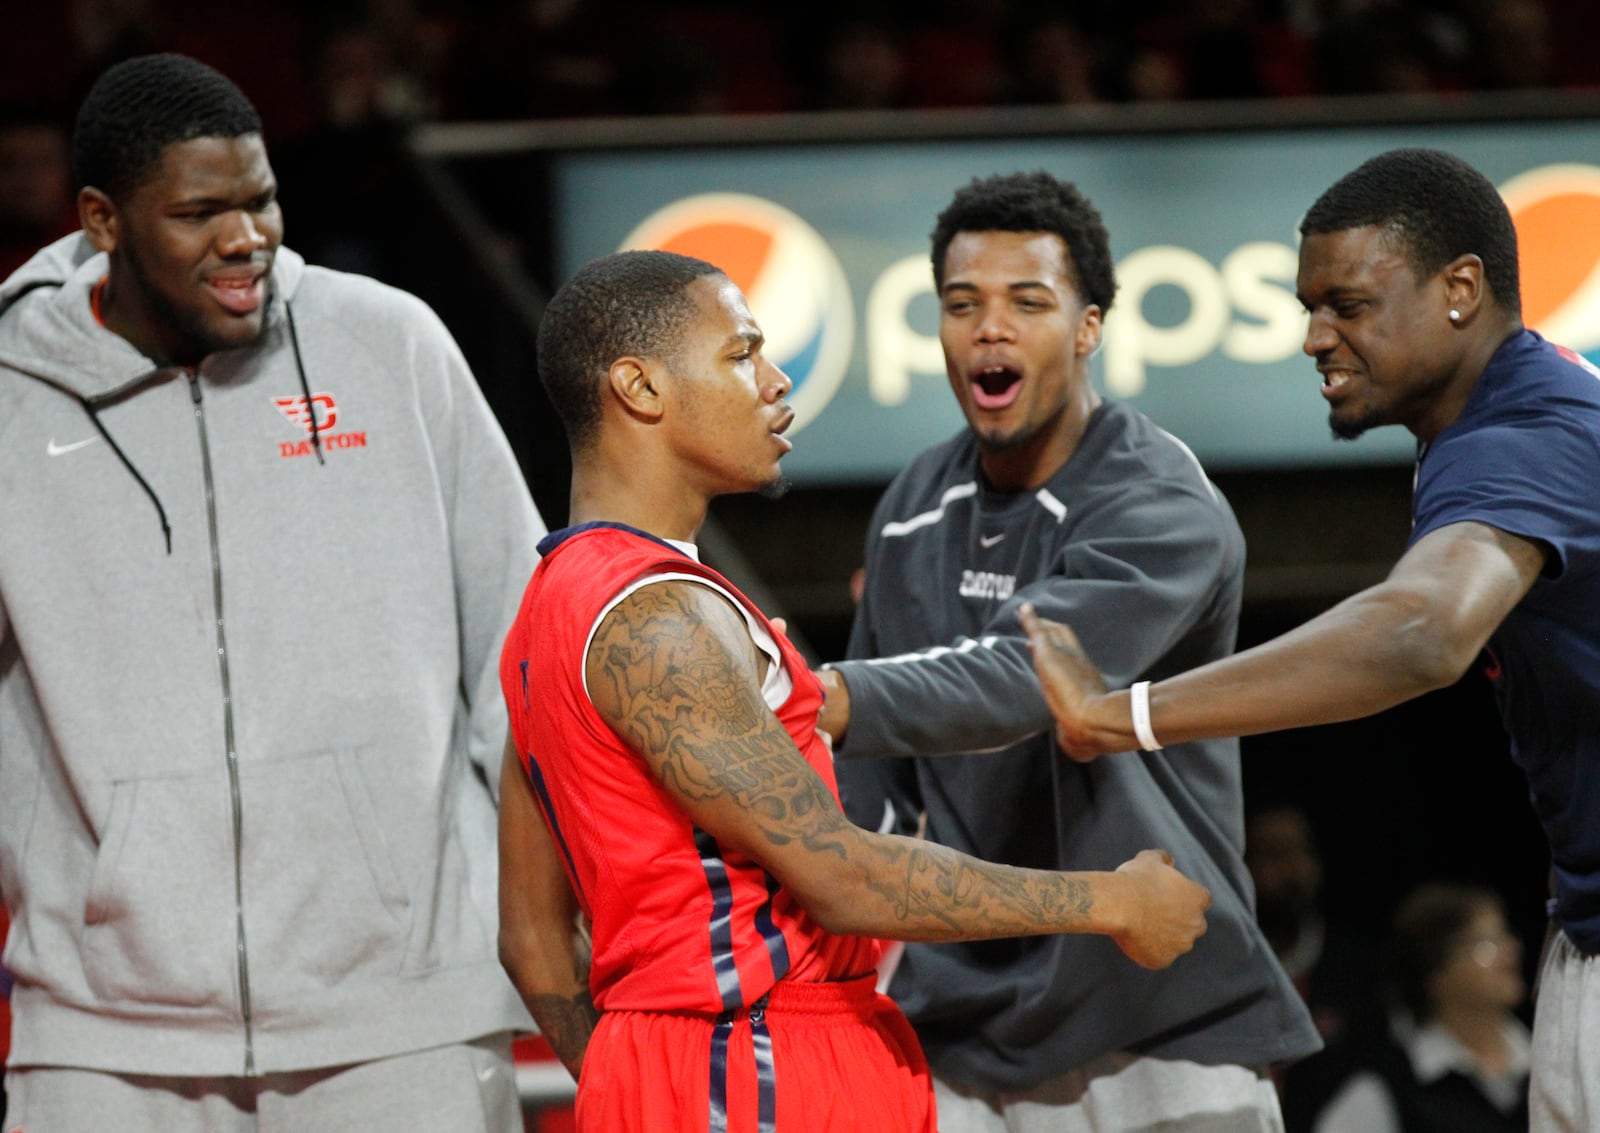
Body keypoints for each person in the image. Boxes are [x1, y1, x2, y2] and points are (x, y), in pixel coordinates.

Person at [495, 248, 1214, 1132]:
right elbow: (841, 875)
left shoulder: (545, 609)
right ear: (640, 389)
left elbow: (531, 938)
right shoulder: (659, 615)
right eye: (740, 353)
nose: (774, 377)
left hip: (676, 1063)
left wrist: (632, 1070)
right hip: (764, 1058)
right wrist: (1112, 901)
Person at [0, 54, 545, 1130]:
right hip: (101, 1030)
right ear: (103, 219)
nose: (246, 239)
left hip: (403, 1010)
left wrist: (547, 922)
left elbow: (517, 650)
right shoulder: (10, 392)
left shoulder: (389, 341)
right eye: (200, 212)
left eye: (259, 201)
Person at [1018, 146, 1600, 1133]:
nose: (1313, 337)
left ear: (1460, 289)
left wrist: (1124, 713)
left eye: (1348, 305)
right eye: (1306, 307)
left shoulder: (1520, 434)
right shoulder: (1527, 407)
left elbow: (1418, 632)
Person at [815, 169, 1321, 1132]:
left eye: (1027, 303)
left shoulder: (1161, 500)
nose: (990, 329)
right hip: (962, 1033)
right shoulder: (912, 503)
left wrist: (802, 691)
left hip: (1158, 1015)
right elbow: (870, 787)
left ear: (1089, 328)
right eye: (963, 305)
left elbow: (1021, 680)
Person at [1303, 882, 1530, 1133]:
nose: (1510, 953)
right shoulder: (1392, 1087)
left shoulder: (1544, 1062)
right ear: (1436, 973)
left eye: (1506, 936)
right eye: (1485, 944)